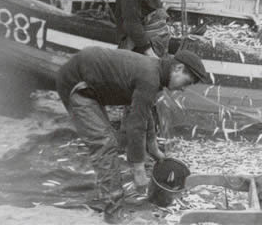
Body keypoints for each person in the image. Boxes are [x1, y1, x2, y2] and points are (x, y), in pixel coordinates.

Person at [56, 47, 208, 222]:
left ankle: (111, 199)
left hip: (89, 81)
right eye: (187, 83)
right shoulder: (150, 77)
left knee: (109, 141)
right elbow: (136, 125)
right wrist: (138, 169)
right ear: (178, 68)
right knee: (105, 144)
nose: (183, 90)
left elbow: (144, 112)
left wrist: (153, 147)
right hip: (76, 84)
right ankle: (114, 214)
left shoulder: (157, 74)